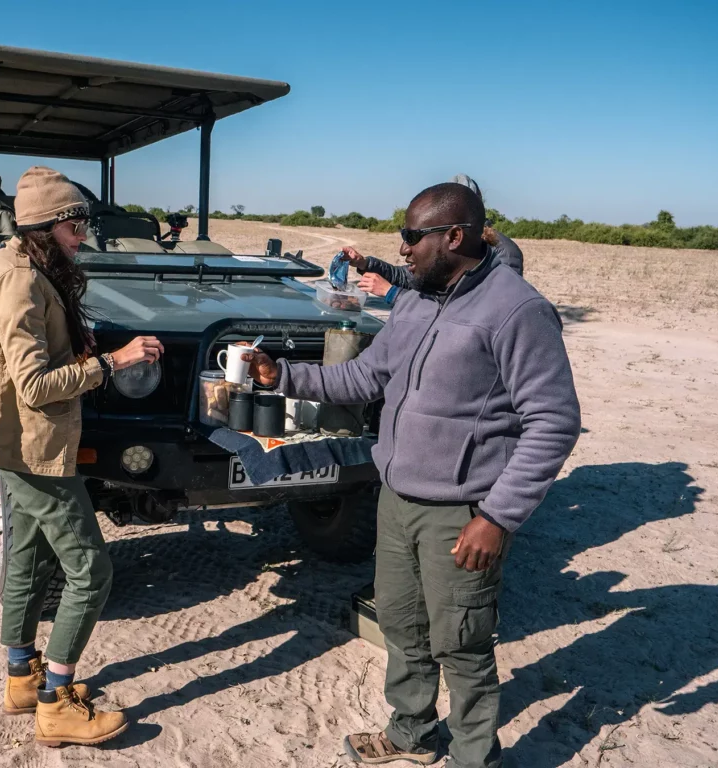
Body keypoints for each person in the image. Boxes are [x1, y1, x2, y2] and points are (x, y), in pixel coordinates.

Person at [244, 182, 580, 767]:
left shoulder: (517, 310)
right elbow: (365, 377)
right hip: (396, 499)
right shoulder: (415, 301)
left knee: (462, 644)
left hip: (462, 512)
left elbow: (554, 422)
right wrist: (284, 376)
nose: (401, 249)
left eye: (411, 237)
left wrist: (497, 517)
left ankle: (474, 757)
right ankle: (411, 735)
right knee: (402, 626)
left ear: (454, 236)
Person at [0, 166, 164, 747]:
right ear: (46, 227)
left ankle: (21, 679)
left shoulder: (24, 267)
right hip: (32, 448)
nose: (83, 236)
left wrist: (79, 348)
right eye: (75, 226)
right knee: (91, 570)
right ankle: (55, 703)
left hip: (22, 444)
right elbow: (33, 386)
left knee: (29, 560)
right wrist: (114, 363)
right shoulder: (19, 281)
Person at [350, 174, 524, 306]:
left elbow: (479, 310)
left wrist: (393, 294)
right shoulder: (442, 244)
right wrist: (365, 263)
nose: (404, 250)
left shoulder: (505, 253)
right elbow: (409, 276)